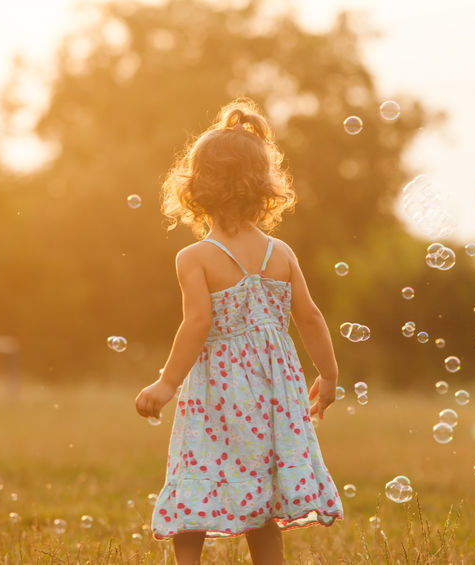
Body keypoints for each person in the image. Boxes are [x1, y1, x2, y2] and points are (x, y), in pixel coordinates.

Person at [135, 98, 343, 565]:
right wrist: (327, 376)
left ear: (195, 188)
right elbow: (309, 317)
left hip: (218, 392)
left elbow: (197, 323)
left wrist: (167, 382)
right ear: (264, 187)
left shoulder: (194, 258)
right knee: (263, 493)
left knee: (197, 473)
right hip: (273, 392)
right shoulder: (281, 253)